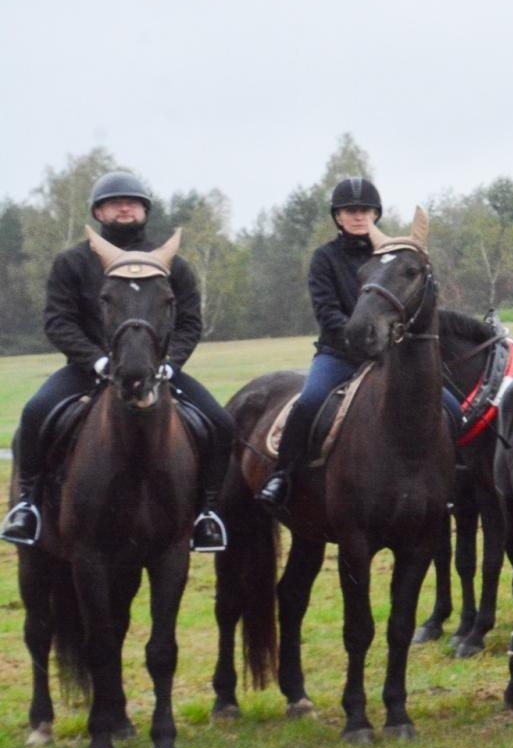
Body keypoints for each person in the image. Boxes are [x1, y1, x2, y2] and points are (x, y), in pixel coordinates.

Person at [2, 171, 233, 551]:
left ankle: (206, 514)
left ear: (145, 209)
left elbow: (190, 322)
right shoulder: (73, 262)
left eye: (133, 202)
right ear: (98, 211)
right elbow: (58, 321)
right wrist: (95, 361)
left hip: (158, 372)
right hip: (87, 370)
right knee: (35, 412)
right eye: (114, 202)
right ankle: (28, 506)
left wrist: (171, 364)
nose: (124, 207)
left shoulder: (173, 264)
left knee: (220, 423)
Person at [256, 176, 461, 509]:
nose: (358, 216)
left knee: (451, 408)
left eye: (365, 210)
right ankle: (283, 475)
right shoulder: (325, 258)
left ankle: (450, 479)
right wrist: (359, 341)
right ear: (337, 217)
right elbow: (327, 313)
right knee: (309, 402)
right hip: (339, 355)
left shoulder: (390, 256)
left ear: (375, 214)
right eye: (350, 211)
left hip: (390, 358)